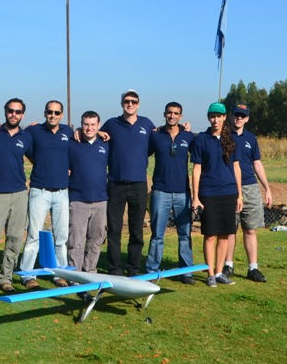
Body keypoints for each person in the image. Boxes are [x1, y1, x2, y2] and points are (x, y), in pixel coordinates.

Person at [99, 89, 156, 276]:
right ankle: (114, 268)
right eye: (126, 101)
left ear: (138, 104)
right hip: (116, 183)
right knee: (114, 229)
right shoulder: (111, 124)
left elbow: (157, 142)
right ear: (122, 103)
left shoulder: (147, 124)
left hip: (139, 184)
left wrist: (184, 128)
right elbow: (93, 135)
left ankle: (133, 268)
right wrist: (79, 131)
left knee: (136, 229)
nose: (130, 104)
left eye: (133, 101)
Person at [18, 100, 73, 288]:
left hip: (62, 192)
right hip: (39, 191)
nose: (53, 115)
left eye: (57, 112)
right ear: (44, 113)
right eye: (50, 112)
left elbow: (85, 137)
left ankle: (60, 273)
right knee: (33, 235)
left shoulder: (68, 132)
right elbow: (16, 135)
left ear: (61, 115)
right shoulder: (34, 131)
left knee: (61, 237)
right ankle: (28, 275)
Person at [190, 102, 243, 287]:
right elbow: (196, 169)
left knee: (225, 235)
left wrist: (239, 195)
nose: (215, 120)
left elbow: (236, 167)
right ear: (208, 118)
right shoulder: (201, 140)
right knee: (210, 235)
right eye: (212, 116)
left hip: (229, 192)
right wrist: (195, 197)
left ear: (224, 117)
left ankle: (220, 272)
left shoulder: (232, 140)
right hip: (209, 193)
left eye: (219, 116)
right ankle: (210, 274)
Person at [0, 98, 33, 293]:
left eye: (18, 112)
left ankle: (6, 277)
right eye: (11, 111)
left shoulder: (27, 137)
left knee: (14, 238)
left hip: (20, 194)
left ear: (22, 115)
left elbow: (38, 157)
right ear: (5, 112)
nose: (14, 114)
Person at [145, 102, 196, 283]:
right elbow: (140, 153)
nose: (172, 116)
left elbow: (201, 157)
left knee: (185, 235)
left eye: (176, 113)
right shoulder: (156, 136)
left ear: (181, 116)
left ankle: (186, 272)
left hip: (183, 192)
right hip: (160, 192)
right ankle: (152, 271)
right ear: (164, 114)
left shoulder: (189, 136)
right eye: (169, 113)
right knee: (157, 235)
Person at [225, 103, 271, 283]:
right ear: (231, 116)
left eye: (242, 116)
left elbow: (257, 163)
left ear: (247, 119)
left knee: (250, 229)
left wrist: (267, 188)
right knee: (230, 229)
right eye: (236, 115)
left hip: (249, 187)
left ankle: (253, 268)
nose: (238, 118)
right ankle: (228, 265)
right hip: (229, 187)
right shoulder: (224, 135)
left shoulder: (251, 138)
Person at [67, 111, 109, 272]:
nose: (89, 128)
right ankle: (75, 274)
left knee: (96, 239)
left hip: (100, 200)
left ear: (98, 126)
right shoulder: (72, 144)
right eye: (86, 124)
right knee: (76, 240)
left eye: (93, 125)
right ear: (81, 125)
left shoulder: (105, 144)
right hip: (78, 200)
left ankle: (90, 271)